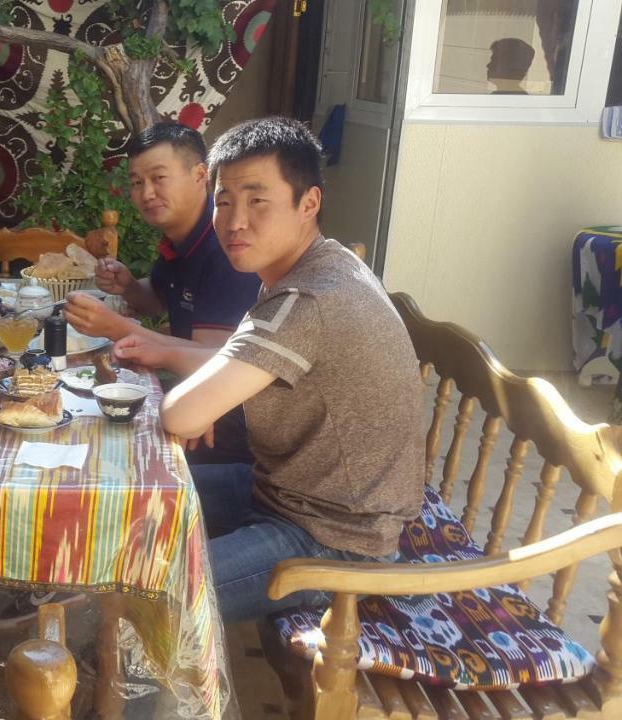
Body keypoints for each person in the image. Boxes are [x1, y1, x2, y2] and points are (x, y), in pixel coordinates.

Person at [113, 117, 424, 621]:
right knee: (130, 499)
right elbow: (230, 378)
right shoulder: (321, 263)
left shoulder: (308, 299)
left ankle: (117, 684)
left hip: (335, 540)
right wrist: (213, 395)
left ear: (309, 203)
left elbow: (181, 415)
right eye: (224, 200)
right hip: (284, 491)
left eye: (257, 200)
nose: (234, 221)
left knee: (151, 593)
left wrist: (205, 400)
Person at [64, 121, 261, 465]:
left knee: (100, 450)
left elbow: (213, 357)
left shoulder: (225, 247)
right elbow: (158, 299)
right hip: (191, 395)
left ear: (201, 175)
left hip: (229, 424)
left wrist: (113, 327)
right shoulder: (179, 236)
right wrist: (127, 286)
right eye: (137, 183)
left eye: (158, 178)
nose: (146, 193)